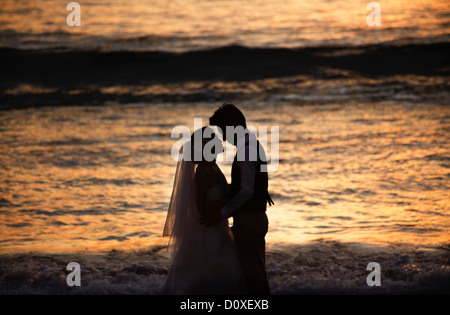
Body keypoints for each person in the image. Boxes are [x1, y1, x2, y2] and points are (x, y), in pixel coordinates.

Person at [162, 126, 247, 294]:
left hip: (218, 226)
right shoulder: (203, 171)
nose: (219, 143)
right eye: (214, 141)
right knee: (207, 273)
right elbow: (201, 206)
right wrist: (229, 199)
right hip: (207, 231)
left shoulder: (213, 167)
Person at [202, 104, 273, 295]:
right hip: (254, 218)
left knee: (254, 279)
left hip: (249, 220)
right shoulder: (252, 146)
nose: (223, 138)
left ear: (233, 124)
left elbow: (246, 191)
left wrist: (221, 213)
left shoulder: (247, 150)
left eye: (223, 131)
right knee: (252, 275)